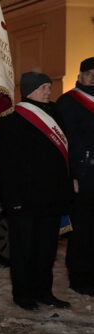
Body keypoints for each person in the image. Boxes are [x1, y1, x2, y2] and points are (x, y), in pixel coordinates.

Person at [0, 72, 73, 310]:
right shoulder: (12, 119)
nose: (48, 91)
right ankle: (23, 294)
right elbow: (8, 164)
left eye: (49, 87)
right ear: (29, 89)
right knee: (23, 249)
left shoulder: (55, 113)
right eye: (43, 87)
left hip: (52, 196)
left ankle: (44, 291)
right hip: (25, 198)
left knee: (46, 249)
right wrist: (14, 199)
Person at [59, 57, 94, 296]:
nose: (92, 77)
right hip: (83, 174)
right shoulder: (69, 102)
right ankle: (79, 276)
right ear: (80, 75)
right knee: (83, 228)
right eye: (89, 73)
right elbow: (65, 142)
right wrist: (72, 174)